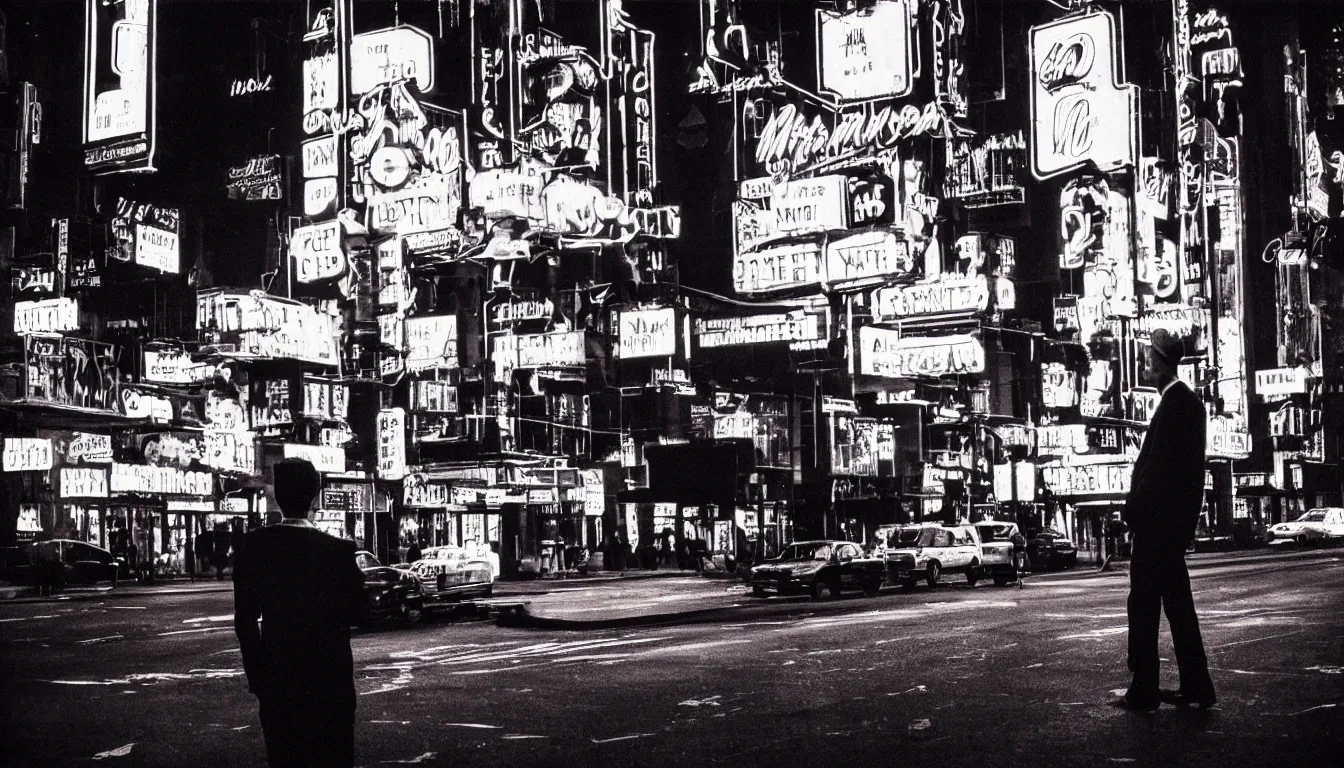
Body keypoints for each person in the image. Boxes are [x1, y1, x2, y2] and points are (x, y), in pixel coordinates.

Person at [234, 458, 364, 767]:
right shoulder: (339, 551)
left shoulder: (253, 547)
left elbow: (245, 621)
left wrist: (259, 677)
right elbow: (359, 612)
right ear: (314, 495)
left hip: (279, 681)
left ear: (277, 495)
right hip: (330, 681)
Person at [1116, 330, 1216, 712]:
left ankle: (1144, 690)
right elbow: (1191, 476)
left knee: (1143, 608)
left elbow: (1158, 472)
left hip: (1156, 528)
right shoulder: (1187, 404)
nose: (1145, 364)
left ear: (1159, 363)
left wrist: (1133, 511)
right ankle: (1197, 684)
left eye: (1148, 358)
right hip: (1172, 529)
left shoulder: (1174, 405)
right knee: (1178, 607)